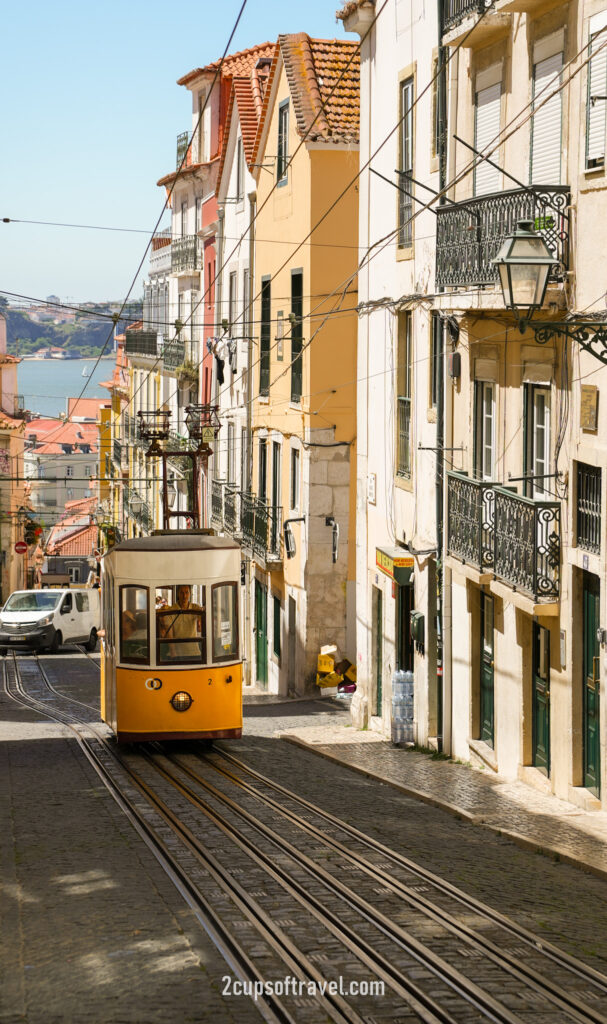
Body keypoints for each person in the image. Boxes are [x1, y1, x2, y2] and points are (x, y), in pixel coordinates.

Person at [157, 585, 204, 660]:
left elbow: (202, 625)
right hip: (177, 653)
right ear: (178, 594)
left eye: (186, 592)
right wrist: (172, 650)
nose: (184, 596)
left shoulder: (195, 608)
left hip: (194, 652)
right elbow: (170, 633)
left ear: (190, 593)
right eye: (181, 593)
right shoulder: (171, 610)